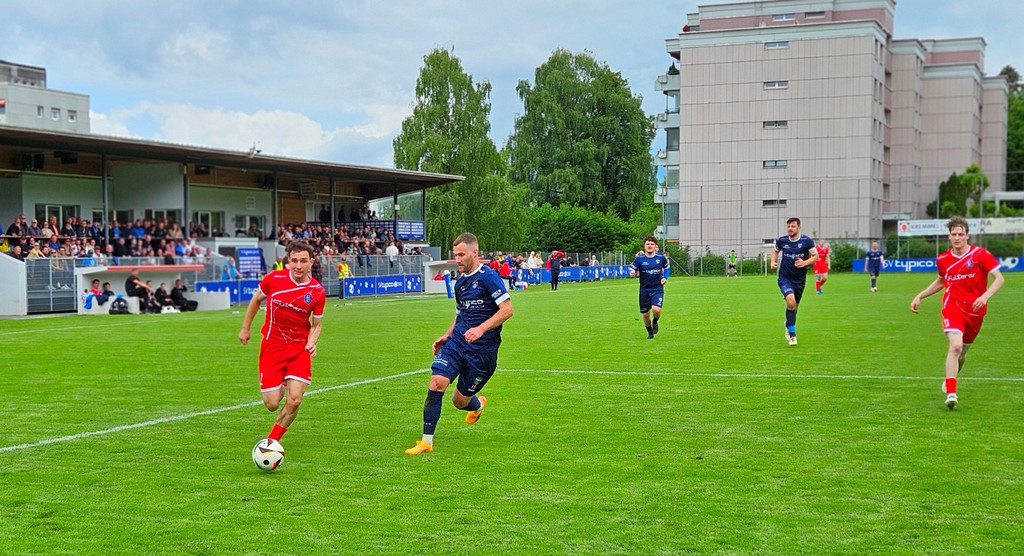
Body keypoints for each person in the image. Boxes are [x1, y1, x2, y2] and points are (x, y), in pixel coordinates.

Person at [406, 232, 513, 455]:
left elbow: (507, 310)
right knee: (436, 383)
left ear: (475, 253)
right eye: (456, 255)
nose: (458, 259)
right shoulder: (460, 283)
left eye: (462, 254)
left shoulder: (488, 277)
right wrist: (446, 335)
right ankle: (427, 441)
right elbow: (460, 314)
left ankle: (478, 405)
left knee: (459, 401)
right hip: (457, 345)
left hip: (482, 353)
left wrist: (481, 328)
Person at [911, 217, 1004, 410]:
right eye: (954, 234)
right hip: (952, 307)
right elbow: (940, 281)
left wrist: (985, 296)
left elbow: (999, 279)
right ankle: (951, 392)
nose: (957, 237)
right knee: (955, 346)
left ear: (967, 235)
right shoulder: (943, 259)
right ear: (949, 236)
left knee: (961, 354)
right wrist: (920, 295)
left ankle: (953, 374)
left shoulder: (980, 254)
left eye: (961, 234)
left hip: (976, 310)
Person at [239, 240, 326, 444]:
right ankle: (282, 379)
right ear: (288, 260)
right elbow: (256, 299)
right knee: (272, 403)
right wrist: (245, 328)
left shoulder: (317, 291)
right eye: (294, 260)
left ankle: (271, 442)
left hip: (299, 349)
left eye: (303, 261)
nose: (298, 266)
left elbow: (317, 324)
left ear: (311, 262)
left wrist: (312, 341)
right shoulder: (274, 279)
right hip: (272, 347)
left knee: (294, 400)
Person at [770, 217, 818, 346]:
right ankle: (792, 335)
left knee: (794, 307)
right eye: (789, 226)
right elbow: (775, 250)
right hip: (785, 277)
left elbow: (816, 257)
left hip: (799, 279)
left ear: (798, 227)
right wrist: (773, 262)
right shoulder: (782, 241)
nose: (790, 229)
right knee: (790, 301)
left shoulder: (807, 241)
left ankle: (788, 323)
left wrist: (805, 262)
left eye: (793, 226)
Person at [629, 236, 670, 340]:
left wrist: (665, 278)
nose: (650, 246)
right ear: (644, 246)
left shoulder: (661, 258)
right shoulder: (639, 259)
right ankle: (650, 332)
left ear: (655, 246)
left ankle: (655, 321)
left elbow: (667, 268)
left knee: (656, 310)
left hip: (657, 289)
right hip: (644, 290)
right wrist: (632, 272)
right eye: (648, 244)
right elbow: (632, 269)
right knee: (646, 315)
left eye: (652, 244)